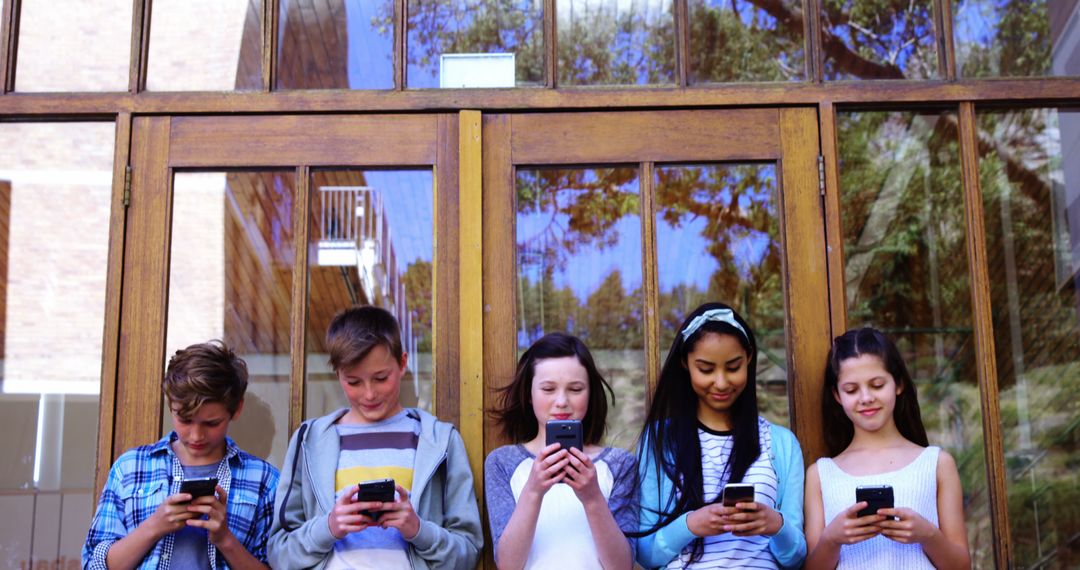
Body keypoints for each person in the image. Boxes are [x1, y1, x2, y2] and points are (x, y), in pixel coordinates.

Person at [267, 305, 482, 569]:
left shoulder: (440, 440)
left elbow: (468, 553)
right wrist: (330, 527)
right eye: (353, 382)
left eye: (381, 378)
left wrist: (417, 529)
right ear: (337, 374)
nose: (369, 394)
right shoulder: (308, 440)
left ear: (403, 363)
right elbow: (279, 554)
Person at [635, 302, 806, 569]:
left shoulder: (782, 444)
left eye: (733, 367)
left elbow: (795, 558)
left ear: (749, 358)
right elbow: (645, 554)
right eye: (705, 369)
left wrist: (775, 525)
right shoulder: (659, 439)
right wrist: (691, 524)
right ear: (685, 363)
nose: (721, 382)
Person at [82, 340, 280, 570]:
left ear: (236, 409)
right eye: (185, 420)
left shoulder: (264, 480)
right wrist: (154, 526)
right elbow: (93, 566)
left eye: (211, 423)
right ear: (170, 405)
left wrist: (225, 540)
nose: (196, 435)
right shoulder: (130, 468)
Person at [804, 327, 970, 569]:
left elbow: (962, 566)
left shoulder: (937, 463)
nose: (866, 397)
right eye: (851, 390)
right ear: (837, 396)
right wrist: (832, 539)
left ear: (899, 384)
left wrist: (927, 534)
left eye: (877, 385)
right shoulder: (820, 475)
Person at [485, 332, 637, 570]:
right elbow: (507, 564)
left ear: (591, 393)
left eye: (575, 389)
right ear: (528, 394)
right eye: (548, 389)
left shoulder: (620, 464)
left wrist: (592, 497)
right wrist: (533, 490)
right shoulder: (503, 462)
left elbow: (622, 566)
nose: (561, 401)